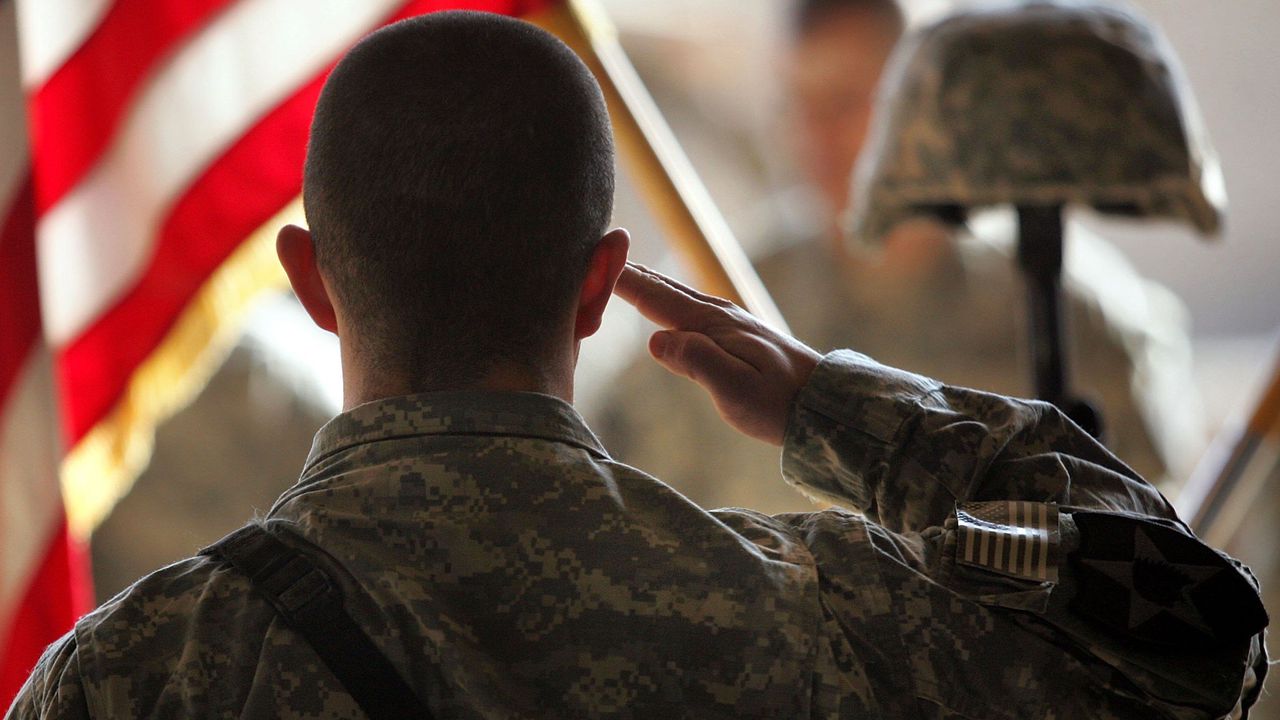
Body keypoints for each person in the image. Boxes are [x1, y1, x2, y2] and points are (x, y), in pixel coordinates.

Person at [8, 11, 1266, 719]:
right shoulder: (824, 612)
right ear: (599, 285)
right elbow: (1190, 630)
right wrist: (831, 404)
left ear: (308, 281)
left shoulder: (135, 672)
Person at [592, 0, 1206, 514]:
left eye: (847, 101)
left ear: (922, 113)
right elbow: (626, 507)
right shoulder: (717, 302)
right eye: (799, 103)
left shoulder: (1072, 321)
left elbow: (1150, 545)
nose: (815, 134)